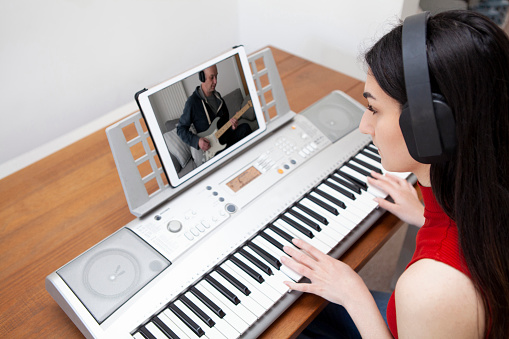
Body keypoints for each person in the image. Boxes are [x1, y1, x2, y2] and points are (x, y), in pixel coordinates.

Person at [281, 10, 509, 338]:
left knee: (297, 317)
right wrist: (425, 214)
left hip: (427, 316)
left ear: (430, 127)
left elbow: (434, 293)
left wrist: (352, 292)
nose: (364, 125)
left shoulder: (430, 289)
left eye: (373, 108)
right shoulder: (484, 182)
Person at [177, 65, 251, 157]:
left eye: (216, 76)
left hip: (226, 139)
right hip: (214, 150)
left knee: (245, 128)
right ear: (202, 77)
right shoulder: (192, 103)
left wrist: (232, 126)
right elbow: (180, 129)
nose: (215, 81)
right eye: (212, 77)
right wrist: (197, 141)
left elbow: (225, 124)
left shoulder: (218, 97)